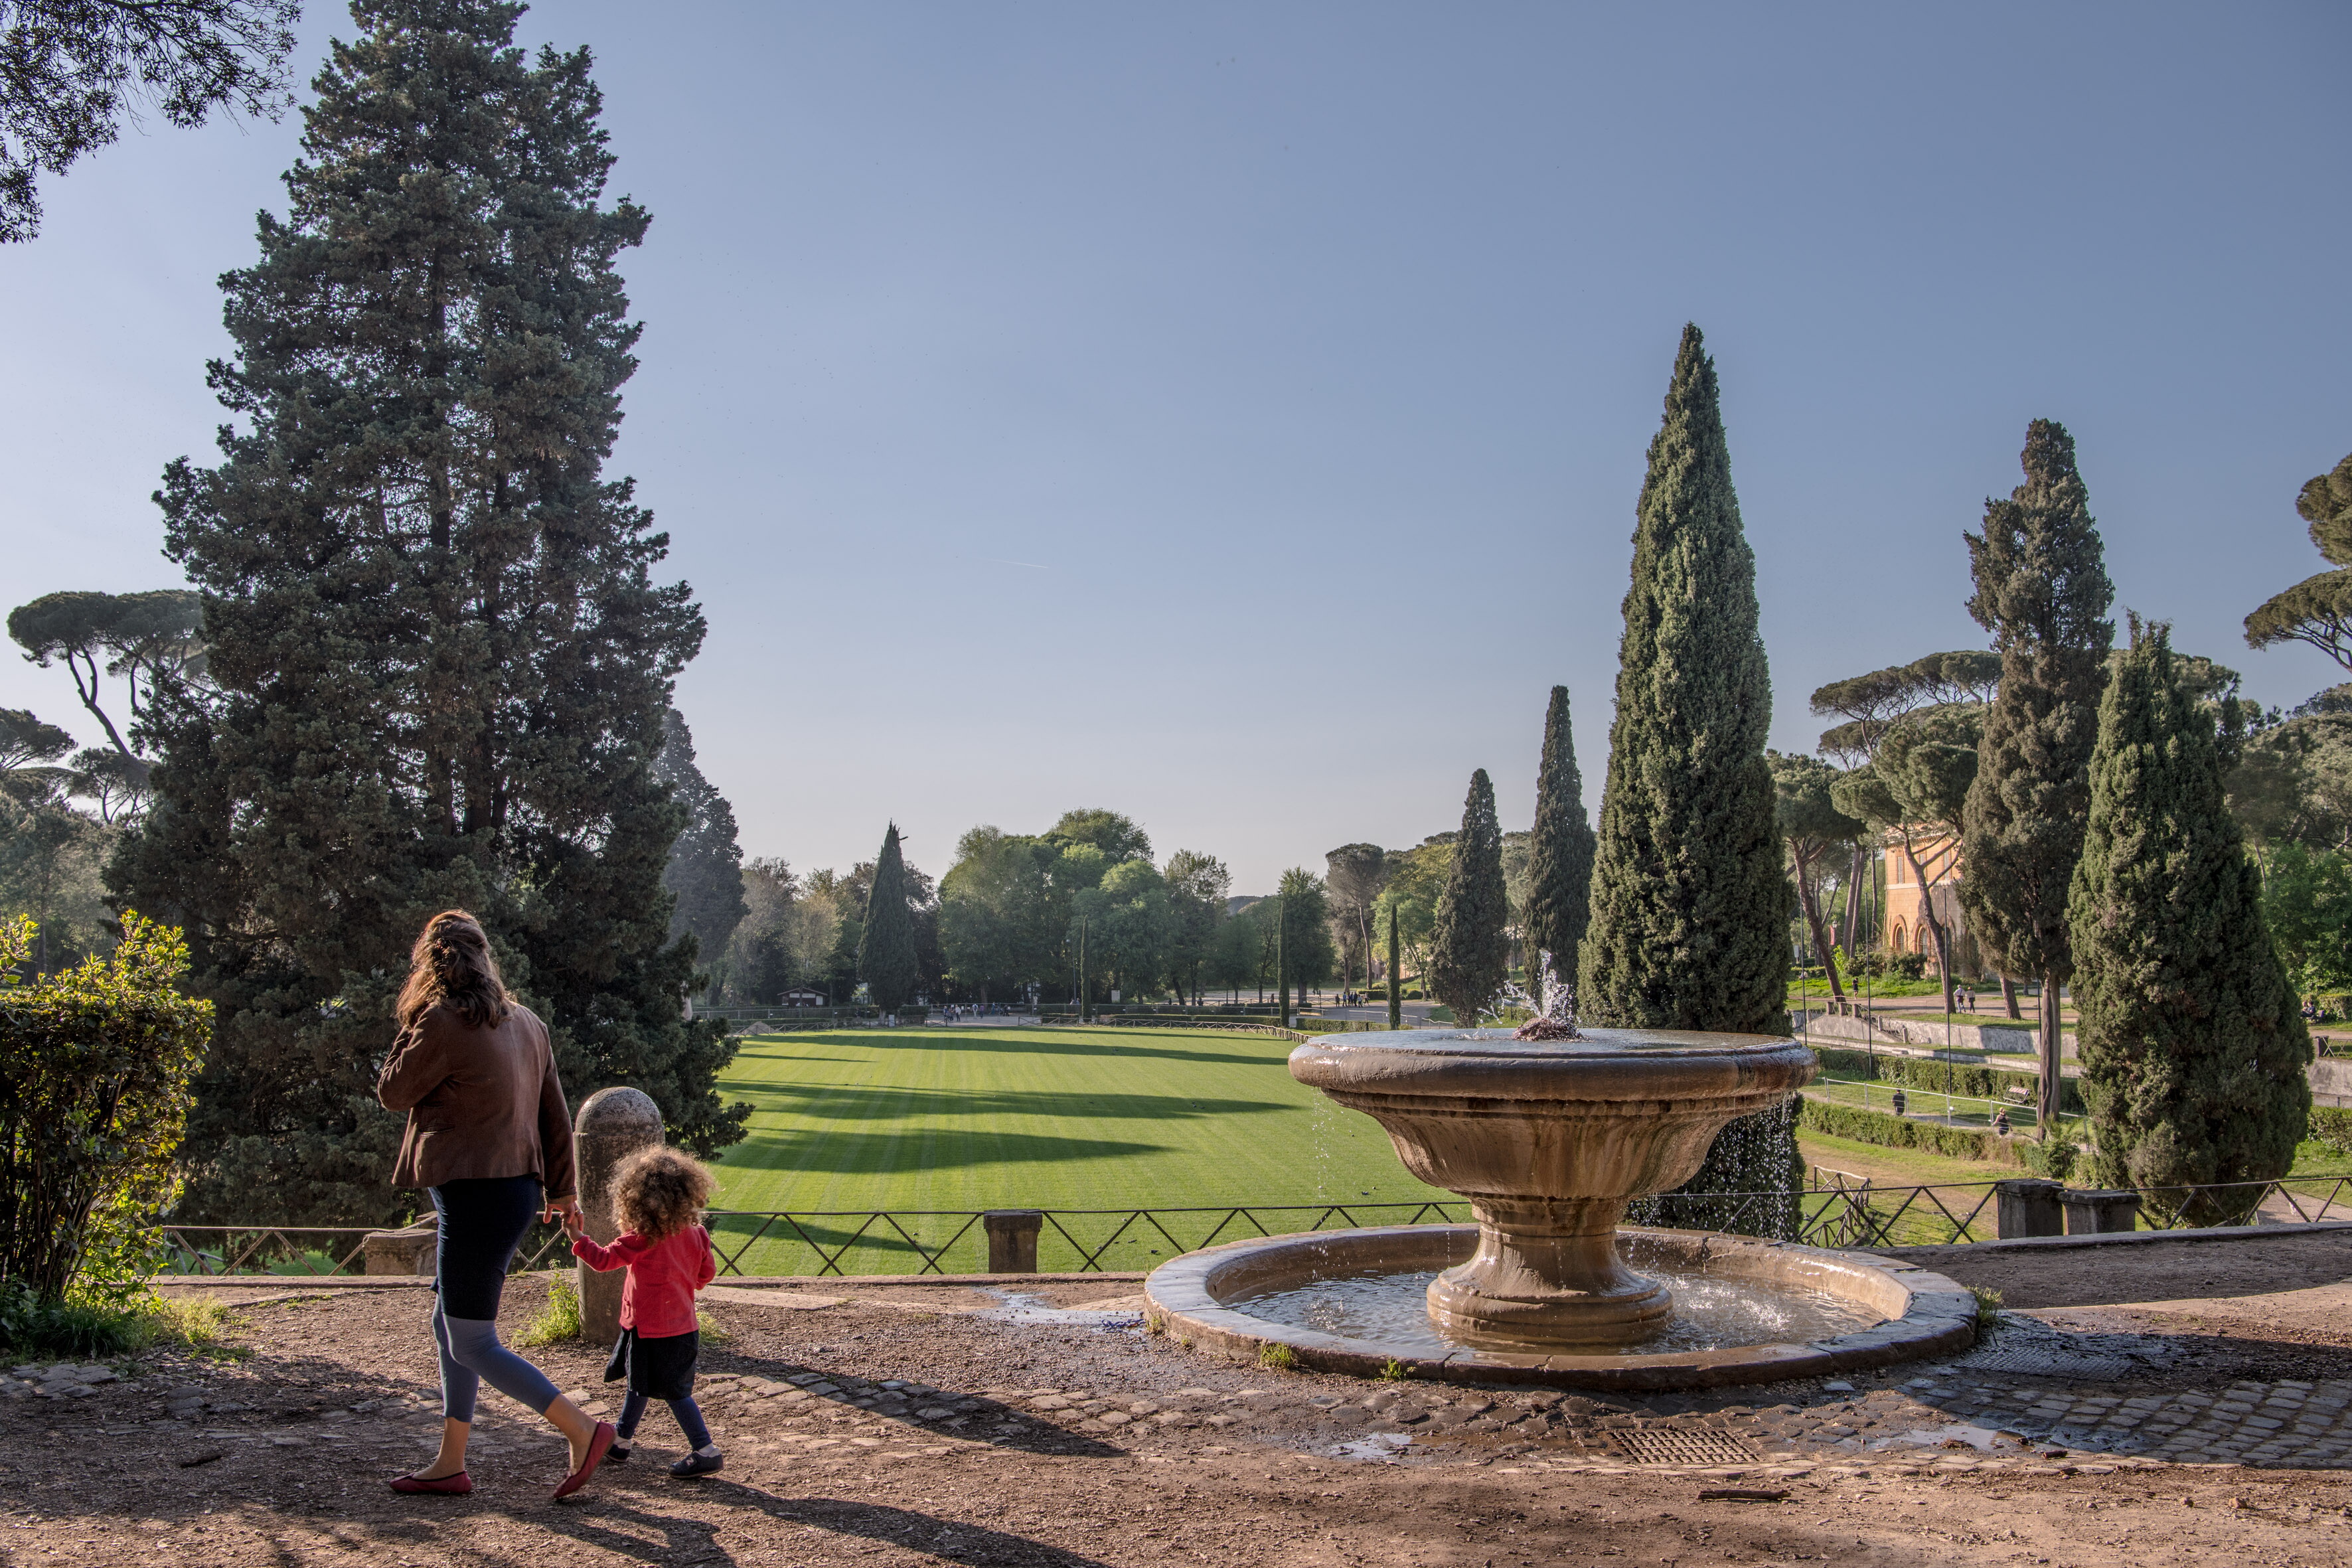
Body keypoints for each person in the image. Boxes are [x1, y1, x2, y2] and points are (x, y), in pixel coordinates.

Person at [376, 910, 616, 1500]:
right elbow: (555, 1114)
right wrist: (563, 1191)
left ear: (429, 966)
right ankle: (450, 1462)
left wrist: (412, 1017)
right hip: (514, 1192)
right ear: (485, 958)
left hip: (474, 1197)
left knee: (473, 1340)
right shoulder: (527, 1022)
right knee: (450, 1324)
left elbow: (393, 1092)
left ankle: (582, 1429)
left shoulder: (439, 1020)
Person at [566, 1147, 724, 1476]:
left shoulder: (641, 1238)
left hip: (649, 1330)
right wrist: (683, 1281)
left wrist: (577, 1236)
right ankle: (621, 1442)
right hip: (683, 1326)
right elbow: (705, 1275)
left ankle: (706, 1450)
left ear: (635, 1198)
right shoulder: (697, 1233)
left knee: (674, 1392)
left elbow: (603, 1260)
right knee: (639, 1385)